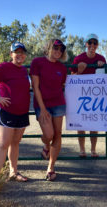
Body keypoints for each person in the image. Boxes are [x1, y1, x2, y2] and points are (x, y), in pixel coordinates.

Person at [0, 42, 30, 198]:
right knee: (3, 144)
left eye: (22, 52)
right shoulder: (3, 67)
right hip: (7, 112)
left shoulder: (24, 70)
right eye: (16, 52)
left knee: (15, 143)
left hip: (22, 113)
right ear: (11, 54)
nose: (20, 55)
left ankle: (13, 172)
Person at [30, 39, 68, 181]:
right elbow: (35, 86)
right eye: (55, 48)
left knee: (57, 134)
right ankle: (46, 145)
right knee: (49, 134)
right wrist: (43, 108)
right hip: (42, 104)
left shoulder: (62, 68)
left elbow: (65, 84)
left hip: (59, 104)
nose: (58, 51)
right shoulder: (37, 62)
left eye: (60, 49)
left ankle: (51, 167)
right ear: (48, 48)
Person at [70, 33, 106, 158]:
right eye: (89, 43)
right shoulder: (78, 59)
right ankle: (82, 149)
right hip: (80, 96)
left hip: (95, 96)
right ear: (86, 44)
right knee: (80, 124)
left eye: (94, 43)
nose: (92, 45)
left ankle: (93, 150)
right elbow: (71, 79)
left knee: (94, 124)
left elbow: (105, 78)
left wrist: (102, 66)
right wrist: (79, 72)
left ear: (97, 45)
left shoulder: (101, 58)